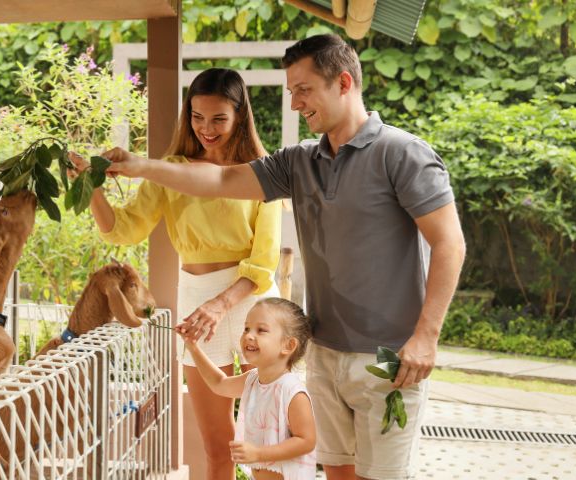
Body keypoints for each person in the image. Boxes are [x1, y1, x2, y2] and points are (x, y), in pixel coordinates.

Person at [102, 34, 467, 480]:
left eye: (303, 89)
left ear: (344, 82)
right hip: (325, 350)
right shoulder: (298, 163)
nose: (294, 103)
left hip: (390, 357)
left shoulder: (402, 153)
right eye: (291, 91)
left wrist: (426, 336)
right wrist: (139, 165)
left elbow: (450, 242)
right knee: (336, 474)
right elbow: (219, 182)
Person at [69, 67, 284, 479]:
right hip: (195, 298)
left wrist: (221, 305)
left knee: (264, 442)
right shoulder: (170, 170)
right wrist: (89, 186)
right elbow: (123, 230)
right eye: (197, 117)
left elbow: (263, 261)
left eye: (219, 118)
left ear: (240, 116)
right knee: (216, 445)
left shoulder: (262, 170)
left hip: (251, 301)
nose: (206, 128)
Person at [178, 298, 316, 480]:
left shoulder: (292, 391)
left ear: (288, 345)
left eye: (261, 330)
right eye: (246, 329)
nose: (249, 335)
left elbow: (307, 441)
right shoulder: (252, 380)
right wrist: (193, 347)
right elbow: (219, 383)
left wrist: (259, 453)